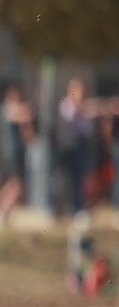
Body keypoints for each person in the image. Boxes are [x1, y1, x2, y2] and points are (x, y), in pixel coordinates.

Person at [54, 76, 100, 218]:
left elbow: (88, 128)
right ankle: (62, 208)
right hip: (69, 148)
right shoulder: (66, 104)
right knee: (66, 181)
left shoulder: (82, 107)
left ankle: (77, 208)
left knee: (79, 179)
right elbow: (71, 117)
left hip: (81, 146)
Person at [0, 81, 36, 226]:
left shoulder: (14, 108)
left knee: (13, 184)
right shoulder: (6, 108)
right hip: (10, 153)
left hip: (18, 153)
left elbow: (28, 134)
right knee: (16, 185)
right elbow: (21, 115)